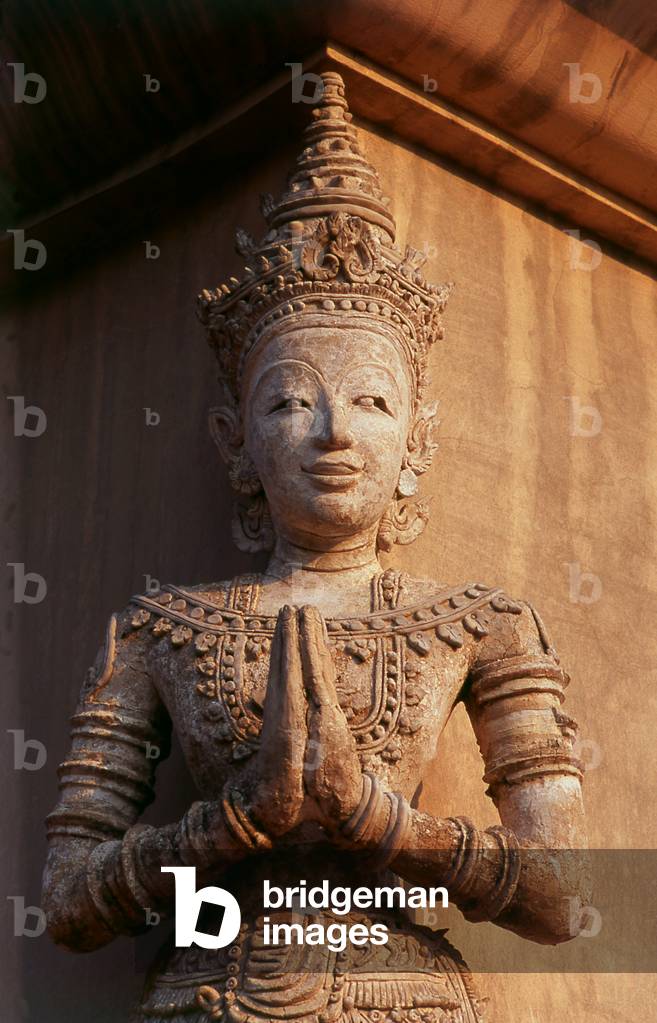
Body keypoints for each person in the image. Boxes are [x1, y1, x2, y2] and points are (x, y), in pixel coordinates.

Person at [42, 72, 589, 1023]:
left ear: (417, 440)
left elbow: (576, 896)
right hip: (212, 995)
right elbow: (68, 901)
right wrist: (230, 822)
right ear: (234, 441)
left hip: (403, 999)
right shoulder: (160, 629)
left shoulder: (482, 625)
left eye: (372, 400)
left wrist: (381, 820)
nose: (333, 431)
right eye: (290, 399)